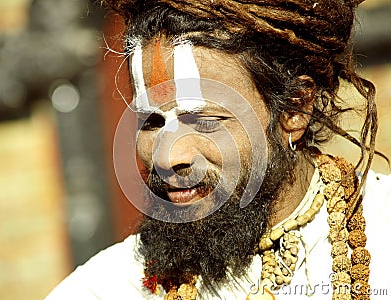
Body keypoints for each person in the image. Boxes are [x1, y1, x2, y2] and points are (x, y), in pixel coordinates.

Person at [46, 0, 391, 299]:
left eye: (204, 121)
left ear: (295, 109)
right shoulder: (104, 290)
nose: (168, 157)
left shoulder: (382, 228)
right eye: (151, 122)